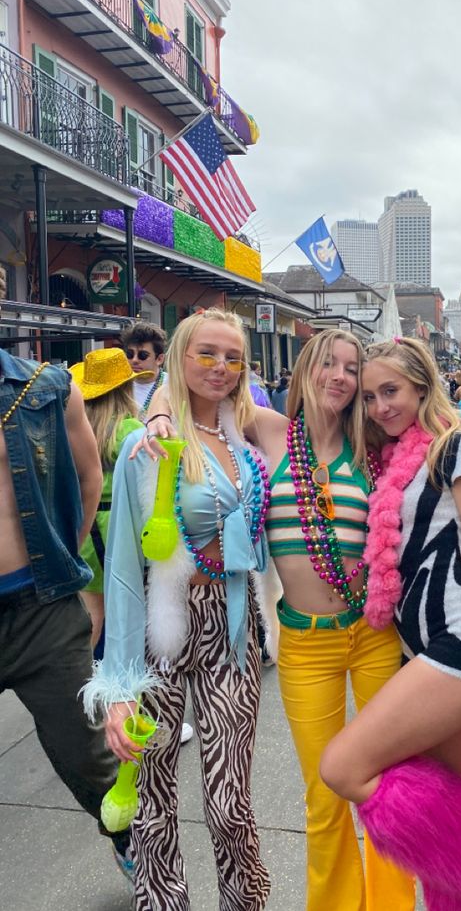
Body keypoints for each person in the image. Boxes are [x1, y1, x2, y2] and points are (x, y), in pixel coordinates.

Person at [141, 328, 415, 911]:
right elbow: (195, 391)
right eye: (327, 363)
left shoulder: (369, 441)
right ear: (304, 371)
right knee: (324, 793)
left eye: (350, 367)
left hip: (372, 634)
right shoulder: (266, 430)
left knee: (388, 781)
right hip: (304, 644)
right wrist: (158, 410)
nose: (339, 376)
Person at [320, 336, 461, 909]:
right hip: (426, 645)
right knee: (440, 799)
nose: (379, 407)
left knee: (344, 767)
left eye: (390, 391)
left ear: (422, 385)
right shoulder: (396, 457)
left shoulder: (456, 447)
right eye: (370, 397)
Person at [83, 308, 272, 911]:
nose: (220, 367)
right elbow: (121, 573)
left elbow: (320, 419)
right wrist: (118, 687)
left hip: (234, 627)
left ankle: (245, 903)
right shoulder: (149, 445)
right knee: (153, 795)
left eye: (233, 357)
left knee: (230, 800)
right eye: (207, 353)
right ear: (180, 357)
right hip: (162, 631)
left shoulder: (248, 436)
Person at [0, 267, 134, 885]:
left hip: (41, 610)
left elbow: (89, 481)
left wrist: (63, 554)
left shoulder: (45, 390)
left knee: (89, 755)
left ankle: (134, 847)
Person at [70, 348, 148, 649]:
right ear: (126, 388)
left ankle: (84, 682)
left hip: (85, 528)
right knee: (124, 617)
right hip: (121, 530)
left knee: (92, 614)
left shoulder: (76, 429)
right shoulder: (131, 430)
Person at [120, 321, 167, 421]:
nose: (134, 360)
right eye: (130, 354)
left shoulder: (174, 386)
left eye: (143, 355)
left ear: (159, 359)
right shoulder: (117, 386)